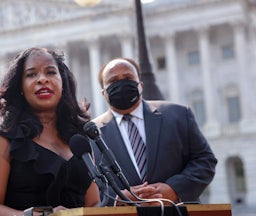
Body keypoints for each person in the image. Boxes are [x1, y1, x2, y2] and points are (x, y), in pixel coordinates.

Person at [0, 47, 100, 216]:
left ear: (63, 82)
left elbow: (94, 202)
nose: (42, 79)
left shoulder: (78, 141)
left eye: (50, 72)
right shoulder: (0, 141)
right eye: (31, 74)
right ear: (20, 87)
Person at [91, 57, 217, 206]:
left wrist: (174, 189)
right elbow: (86, 185)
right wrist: (117, 198)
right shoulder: (91, 135)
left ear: (140, 85)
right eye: (113, 81)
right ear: (103, 93)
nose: (121, 83)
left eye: (128, 77)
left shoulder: (178, 115)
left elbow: (205, 160)